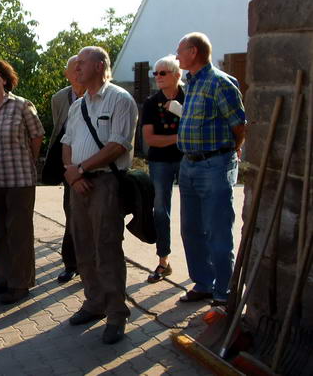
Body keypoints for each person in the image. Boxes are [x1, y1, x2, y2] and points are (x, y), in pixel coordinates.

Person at [61, 46, 138, 345]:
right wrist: (72, 171)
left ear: (99, 65)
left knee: (106, 248)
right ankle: (94, 303)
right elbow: (67, 141)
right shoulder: (77, 105)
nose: (76, 68)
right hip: (78, 184)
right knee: (83, 247)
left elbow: (118, 145)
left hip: (105, 183)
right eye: (76, 63)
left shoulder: (120, 99)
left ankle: (117, 313)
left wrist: (79, 169)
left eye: (82, 63)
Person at [175, 32, 246, 307]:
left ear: (193, 52)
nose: (177, 54)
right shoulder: (191, 83)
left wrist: (228, 152)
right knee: (191, 229)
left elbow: (239, 125)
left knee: (217, 230)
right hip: (189, 165)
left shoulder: (220, 82)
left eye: (180, 50)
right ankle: (203, 283)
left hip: (215, 165)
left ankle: (223, 291)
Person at [0, 58, 45, 305]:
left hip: (19, 178)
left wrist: (29, 160)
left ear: (4, 78)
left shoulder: (22, 105)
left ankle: (20, 283)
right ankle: (0, 279)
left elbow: (37, 136)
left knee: (19, 233)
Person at [141, 55, 185, 283]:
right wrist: (181, 138)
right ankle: (163, 261)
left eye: (162, 73)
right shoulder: (151, 102)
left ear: (177, 75)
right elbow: (150, 138)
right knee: (160, 210)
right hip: (160, 161)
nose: (157, 77)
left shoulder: (190, 98)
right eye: (155, 73)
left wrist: (170, 137)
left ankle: (202, 264)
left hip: (189, 160)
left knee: (193, 212)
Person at [47, 56, 85, 283]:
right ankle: (71, 264)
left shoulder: (105, 95)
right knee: (71, 213)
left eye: (83, 67)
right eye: (76, 69)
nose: (80, 72)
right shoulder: (59, 98)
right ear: (67, 74)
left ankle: (91, 264)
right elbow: (60, 133)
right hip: (70, 164)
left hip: (96, 163)